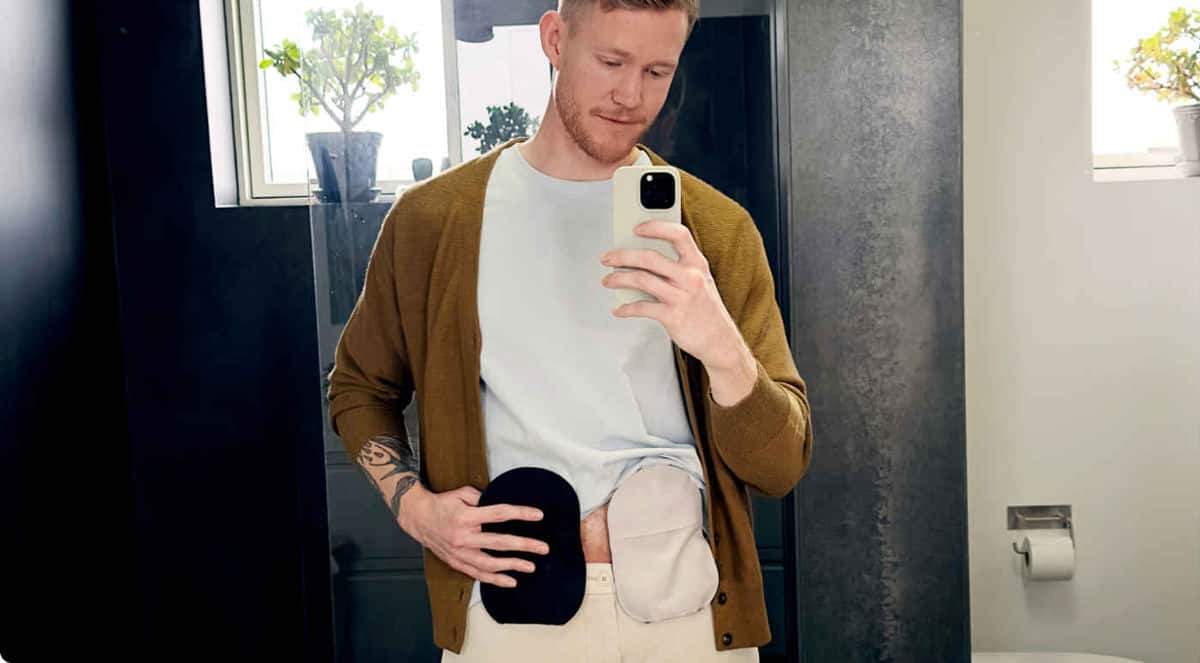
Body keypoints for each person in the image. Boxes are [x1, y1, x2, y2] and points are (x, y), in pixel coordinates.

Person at [326, 1, 814, 661]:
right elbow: (358, 386)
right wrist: (413, 505)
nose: (630, 95)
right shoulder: (433, 221)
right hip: (509, 611)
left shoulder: (717, 232)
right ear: (555, 39)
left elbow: (782, 465)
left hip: (689, 614)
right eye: (610, 62)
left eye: (656, 71)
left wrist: (722, 348)